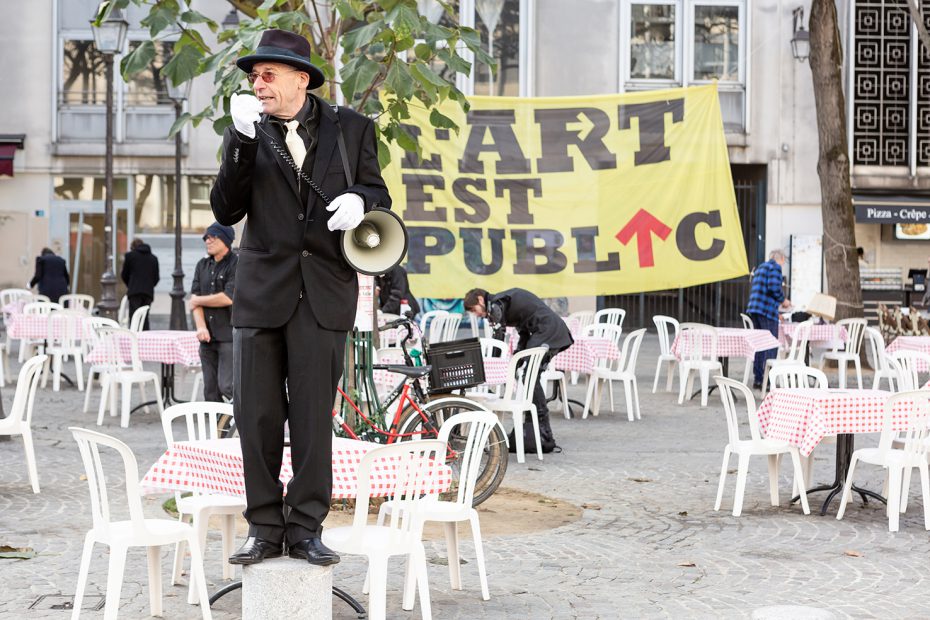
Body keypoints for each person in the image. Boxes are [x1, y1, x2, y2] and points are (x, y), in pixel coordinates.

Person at [211, 29, 391, 566]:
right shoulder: (247, 129)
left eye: (267, 75)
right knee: (257, 418)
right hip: (261, 295)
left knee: (313, 420)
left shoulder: (351, 128)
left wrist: (359, 200)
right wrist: (241, 142)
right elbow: (226, 208)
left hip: (323, 293)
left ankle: (307, 526)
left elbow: (377, 192)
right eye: (254, 76)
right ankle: (264, 528)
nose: (257, 84)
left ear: (300, 79)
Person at [464, 287, 573, 453]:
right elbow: (524, 331)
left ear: (480, 299)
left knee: (530, 376)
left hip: (548, 331)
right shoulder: (503, 302)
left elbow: (498, 334)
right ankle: (535, 427)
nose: (476, 314)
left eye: (474, 309)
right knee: (529, 377)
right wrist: (518, 354)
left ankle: (541, 428)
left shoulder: (496, 304)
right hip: (546, 331)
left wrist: (495, 359)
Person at [189, 223, 238, 403]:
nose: (208, 241)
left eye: (213, 237)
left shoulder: (236, 264)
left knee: (227, 386)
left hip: (228, 336)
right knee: (210, 391)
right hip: (207, 338)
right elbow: (194, 301)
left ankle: (243, 416)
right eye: (206, 238)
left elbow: (228, 298)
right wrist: (201, 327)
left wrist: (197, 300)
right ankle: (217, 422)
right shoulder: (202, 265)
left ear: (225, 240)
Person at [746, 249, 791, 389]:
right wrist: (783, 300)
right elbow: (773, 288)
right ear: (781, 258)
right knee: (770, 344)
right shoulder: (775, 267)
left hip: (755, 309)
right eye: (784, 261)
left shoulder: (761, 267)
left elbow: (763, 291)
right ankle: (768, 380)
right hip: (766, 311)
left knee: (759, 345)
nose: (783, 264)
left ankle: (758, 379)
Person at [120, 238, 160, 330]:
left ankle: (134, 336)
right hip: (148, 293)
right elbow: (156, 278)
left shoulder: (130, 256)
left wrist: (131, 285)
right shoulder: (153, 259)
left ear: (133, 247)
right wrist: (149, 285)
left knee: (134, 317)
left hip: (134, 291)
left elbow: (124, 274)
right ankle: (145, 336)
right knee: (144, 318)